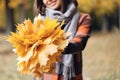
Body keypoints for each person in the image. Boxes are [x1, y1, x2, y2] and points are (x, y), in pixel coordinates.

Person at [33, 0, 91, 80]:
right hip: (46, 77)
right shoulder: (39, 21)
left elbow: (79, 43)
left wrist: (49, 45)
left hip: (71, 77)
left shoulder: (82, 18)